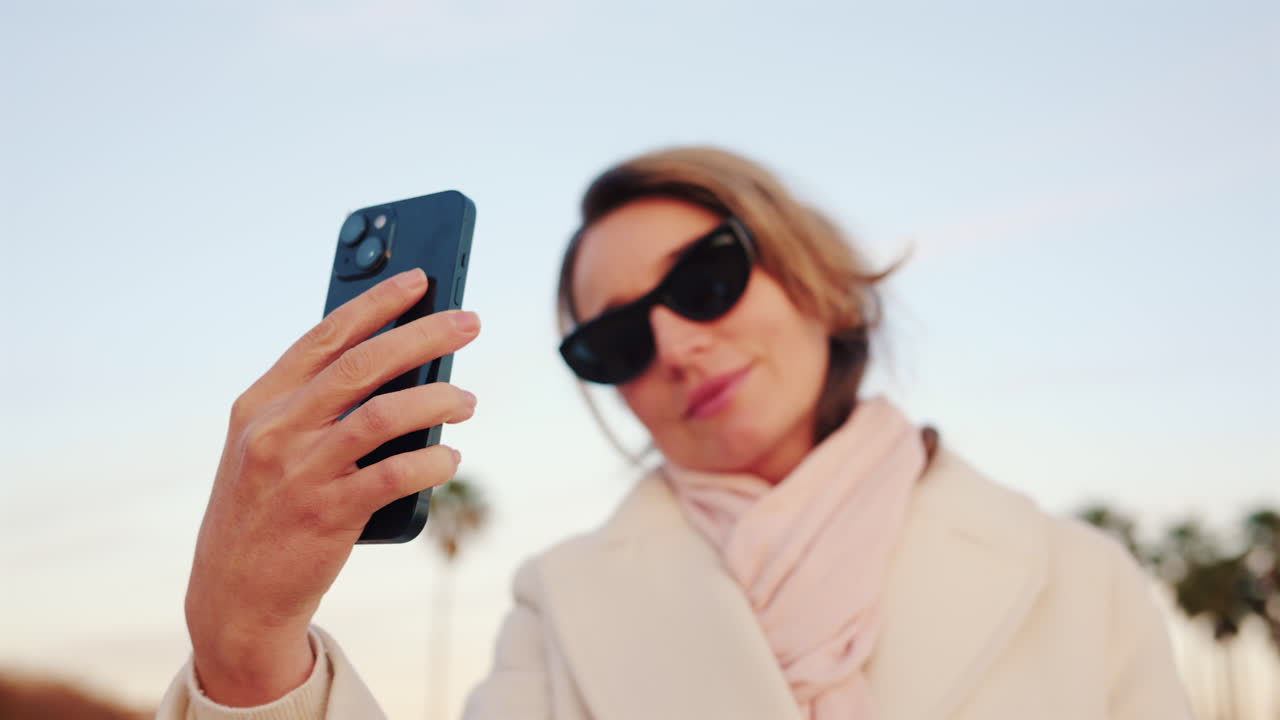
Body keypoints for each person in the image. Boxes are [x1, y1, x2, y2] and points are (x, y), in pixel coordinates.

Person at [158, 148, 1194, 719]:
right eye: (611, 339)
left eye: (704, 280)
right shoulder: (557, 608)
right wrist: (247, 656)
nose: (673, 346)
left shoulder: (1078, 578)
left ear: (817, 277)